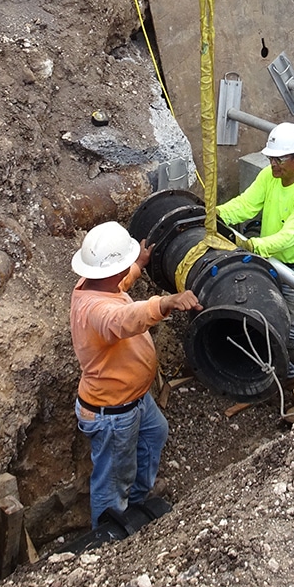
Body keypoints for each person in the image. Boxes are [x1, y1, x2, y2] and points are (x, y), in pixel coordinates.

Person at [70, 220, 199, 533]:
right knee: (112, 479)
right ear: (111, 270)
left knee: (155, 434)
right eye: (124, 265)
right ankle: (107, 535)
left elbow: (119, 284)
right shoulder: (97, 311)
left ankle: (136, 503)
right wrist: (165, 303)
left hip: (133, 400)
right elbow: (125, 318)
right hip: (113, 412)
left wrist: (138, 265)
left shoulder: (96, 284)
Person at [217, 121, 294, 420]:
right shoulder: (270, 177)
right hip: (273, 266)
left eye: (279, 159)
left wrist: (253, 246)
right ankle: (288, 379)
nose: (273, 164)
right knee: (273, 325)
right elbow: (246, 205)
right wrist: (216, 214)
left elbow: (288, 237)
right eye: (270, 158)